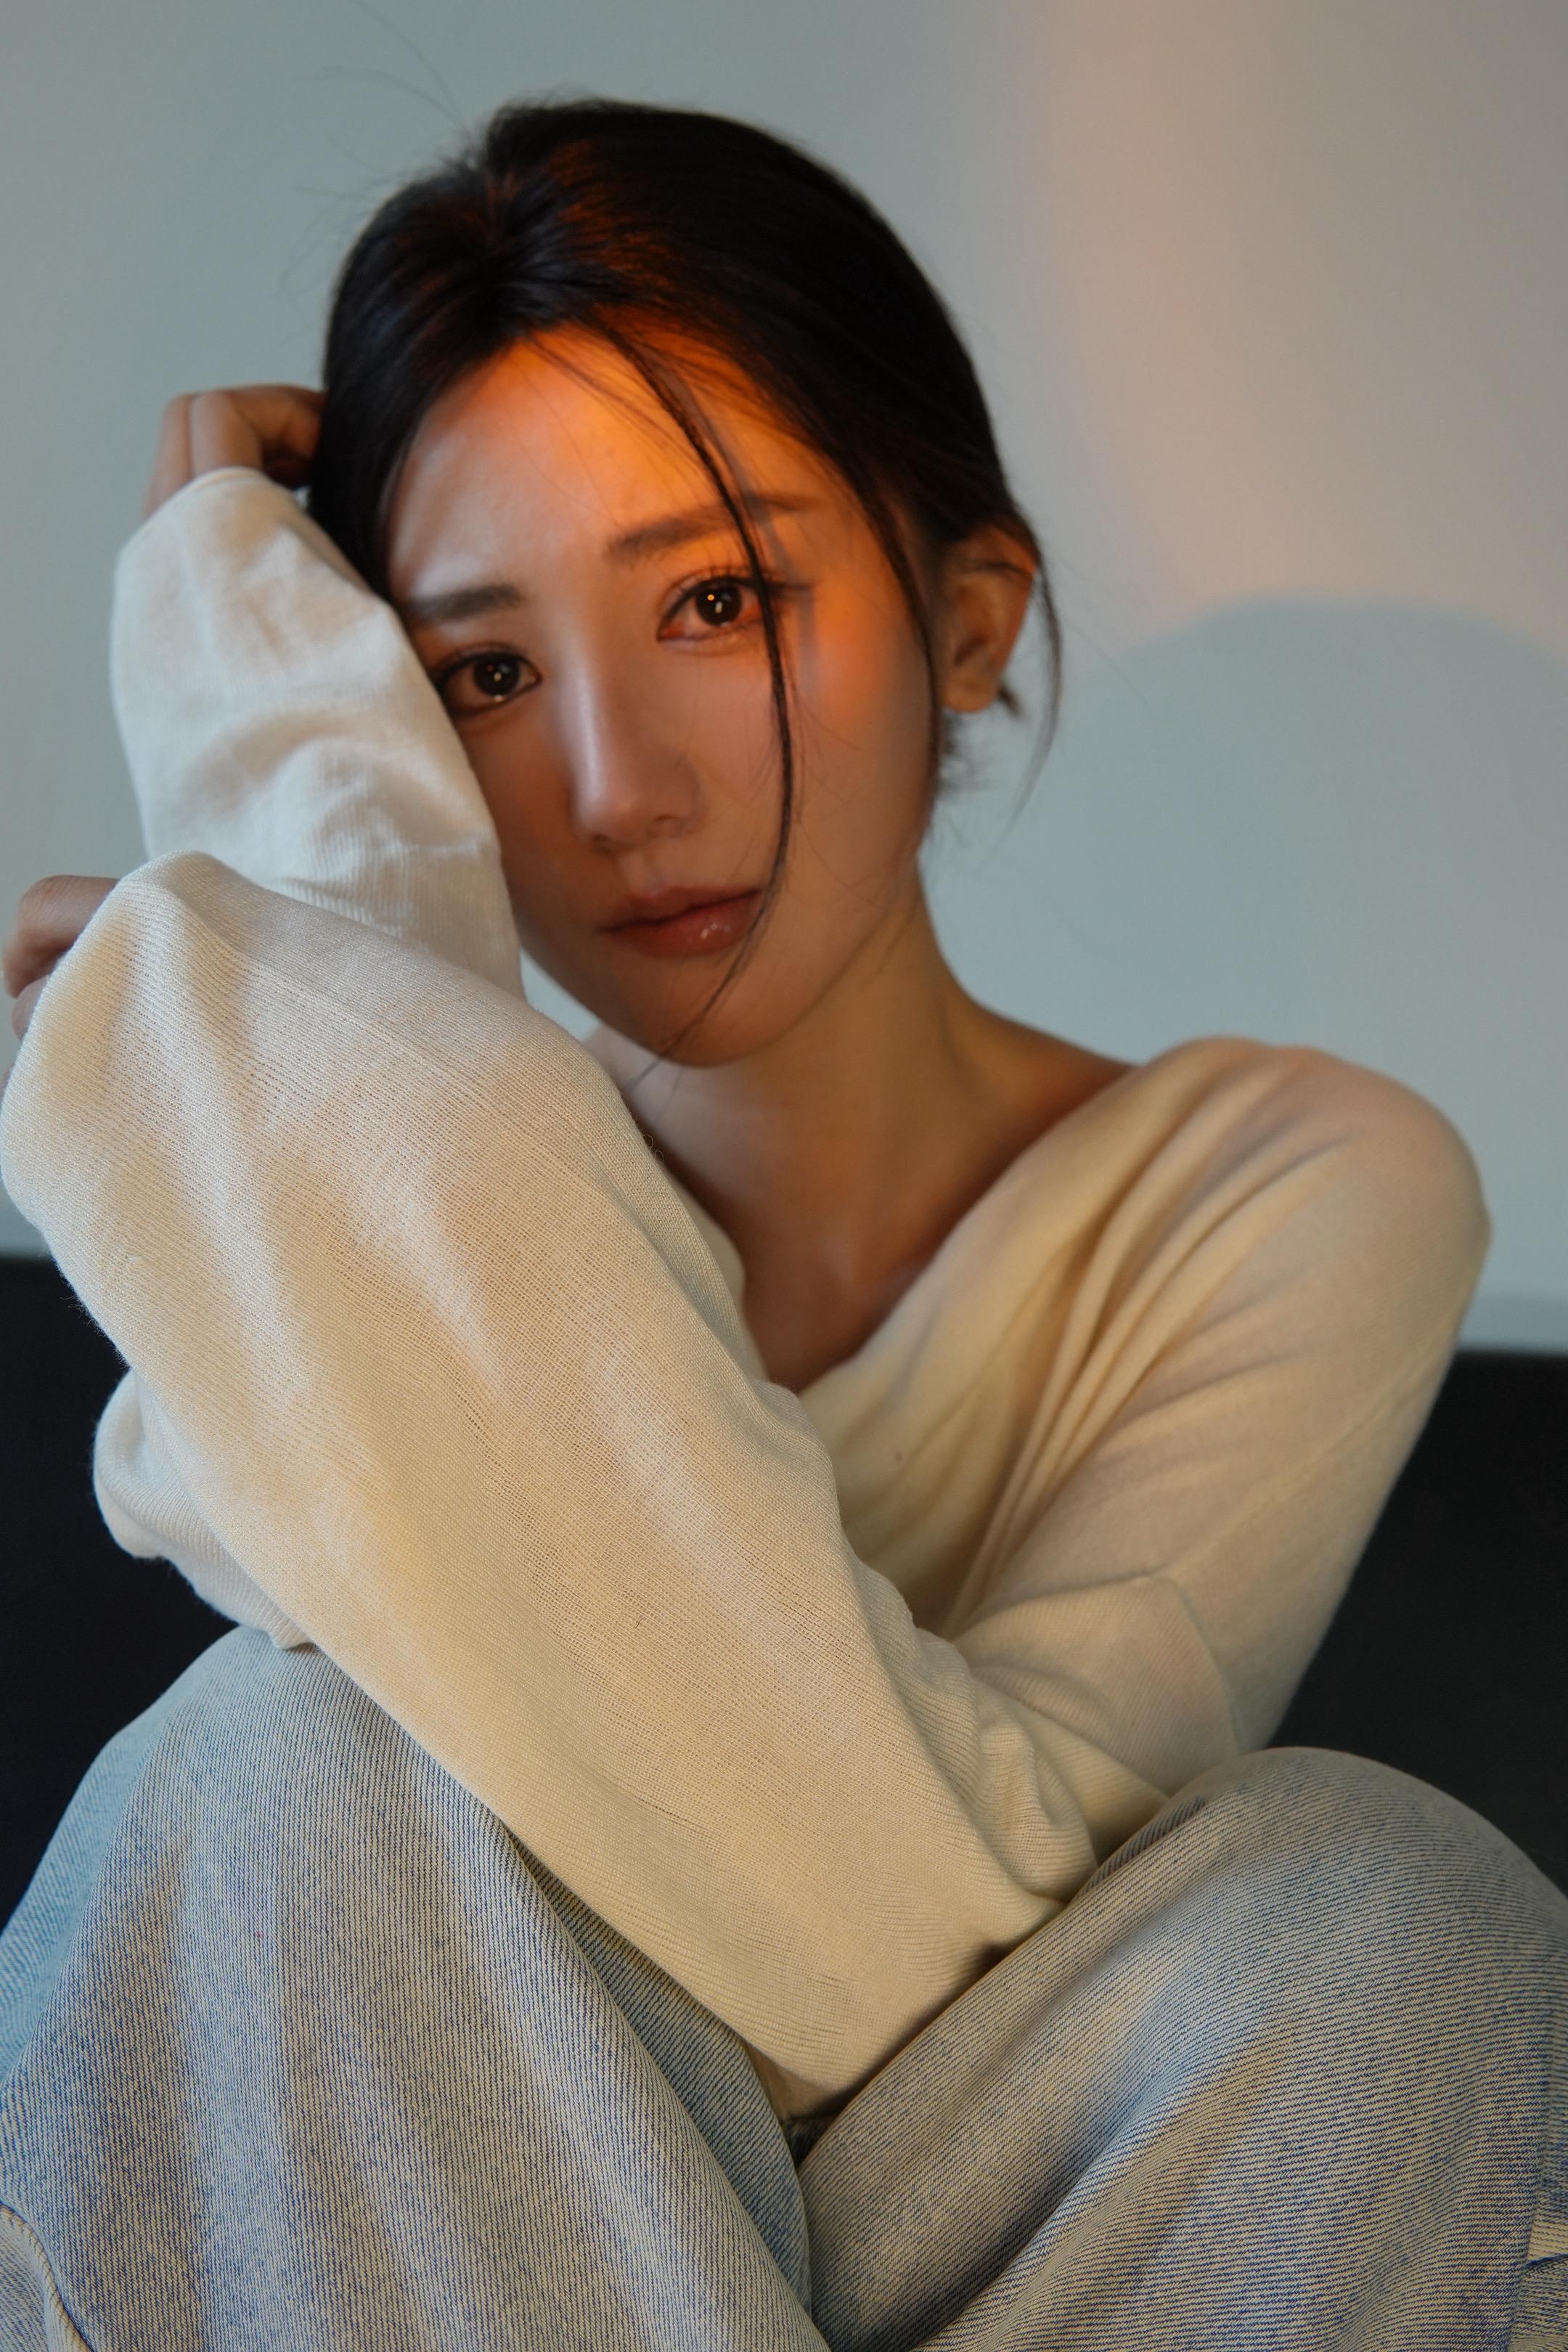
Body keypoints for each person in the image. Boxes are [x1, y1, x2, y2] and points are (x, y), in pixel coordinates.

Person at [1, 94, 1564, 2350]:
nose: (619, 787)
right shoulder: (407, 1162)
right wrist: (322, 892)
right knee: (288, 1780)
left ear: (967, 617)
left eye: (718, 600)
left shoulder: (1294, 1187)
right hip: (395, 2211)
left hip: (1030, 2219)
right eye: (482, 676)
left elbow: (892, 1942)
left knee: (1379, 1919)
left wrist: (302, 1073)